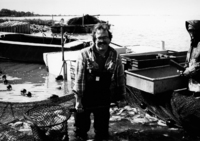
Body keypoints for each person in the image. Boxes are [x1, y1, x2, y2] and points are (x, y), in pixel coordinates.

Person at [72, 23, 126, 141]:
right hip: (85, 96)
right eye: (99, 38)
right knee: (81, 131)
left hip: (103, 97)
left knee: (102, 132)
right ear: (94, 39)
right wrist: (78, 101)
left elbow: (120, 78)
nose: (102, 41)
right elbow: (79, 80)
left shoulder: (115, 55)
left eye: (105, 38)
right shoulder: (84, 54)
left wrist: (121, 98)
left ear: (110, 39)